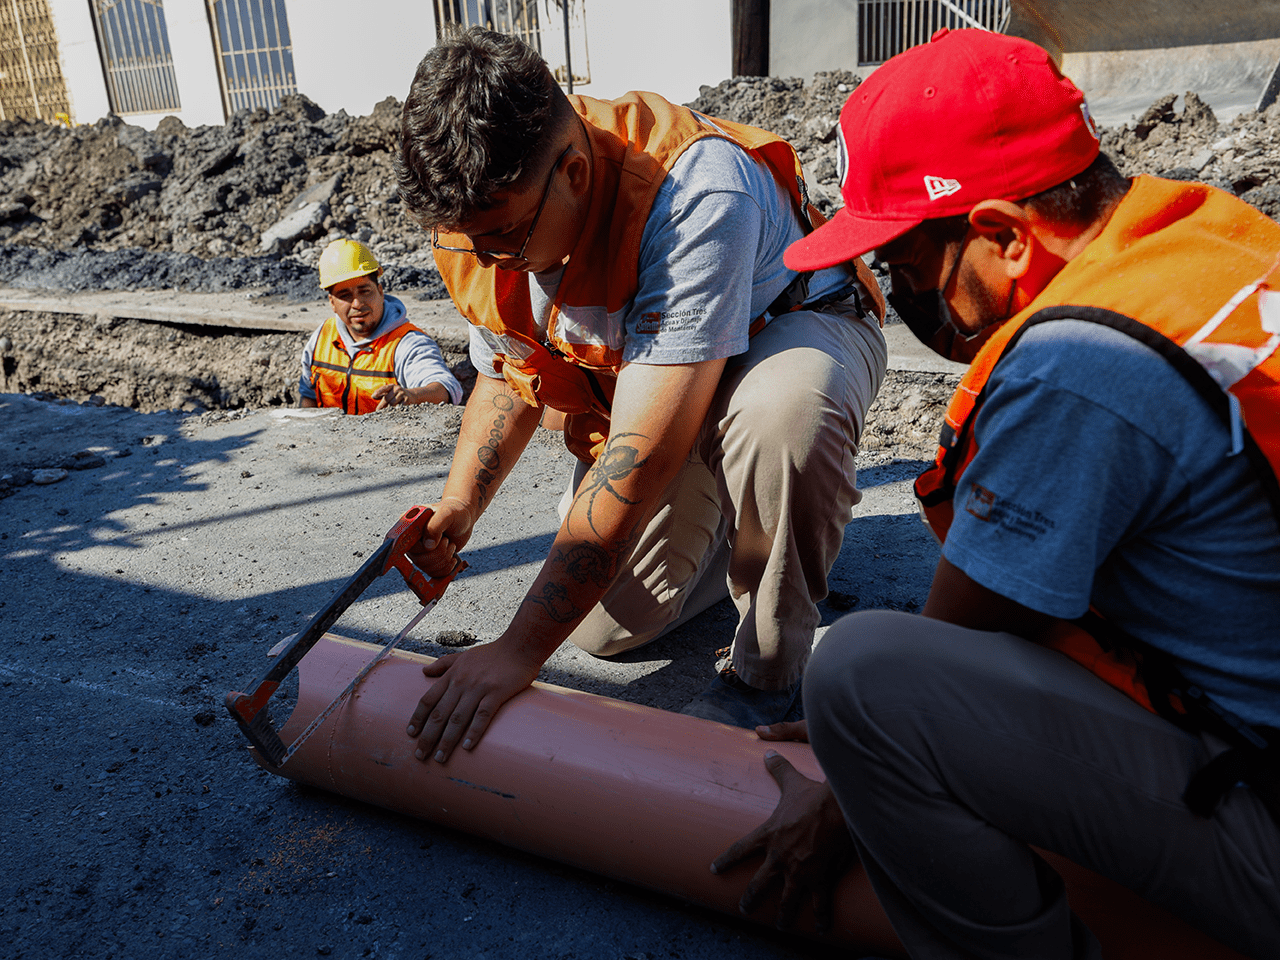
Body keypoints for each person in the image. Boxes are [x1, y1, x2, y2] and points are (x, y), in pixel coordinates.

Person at [712, 28, 1280, 959]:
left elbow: (958, 641)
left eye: (907, 266)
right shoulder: (1203, 241)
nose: (901, 294)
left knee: (862, 677)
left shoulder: (1079, 364)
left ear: (1007, 238)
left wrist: (844, 789)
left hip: (1264, 816)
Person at [393, 28, 887, 759]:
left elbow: (640, 456)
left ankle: (769, 664)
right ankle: (759, 530)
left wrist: (518, 651)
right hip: (661, 387)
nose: (490, 259)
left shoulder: (694, 193)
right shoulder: (479, 218)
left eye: (505, 237)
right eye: (471, 241)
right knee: (605, 628)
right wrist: (459, 506)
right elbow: (507, 372)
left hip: (788, 332)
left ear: (573, 173)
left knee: (784, 413)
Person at [299, 238, 463, 413]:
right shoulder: (323, 337)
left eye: (364, 291)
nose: (357, 304)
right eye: (345, 295)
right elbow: (308, 395)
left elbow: (446, 389)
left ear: (380, 291)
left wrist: (412, 396)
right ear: (332, 302)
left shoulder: (406, 342)